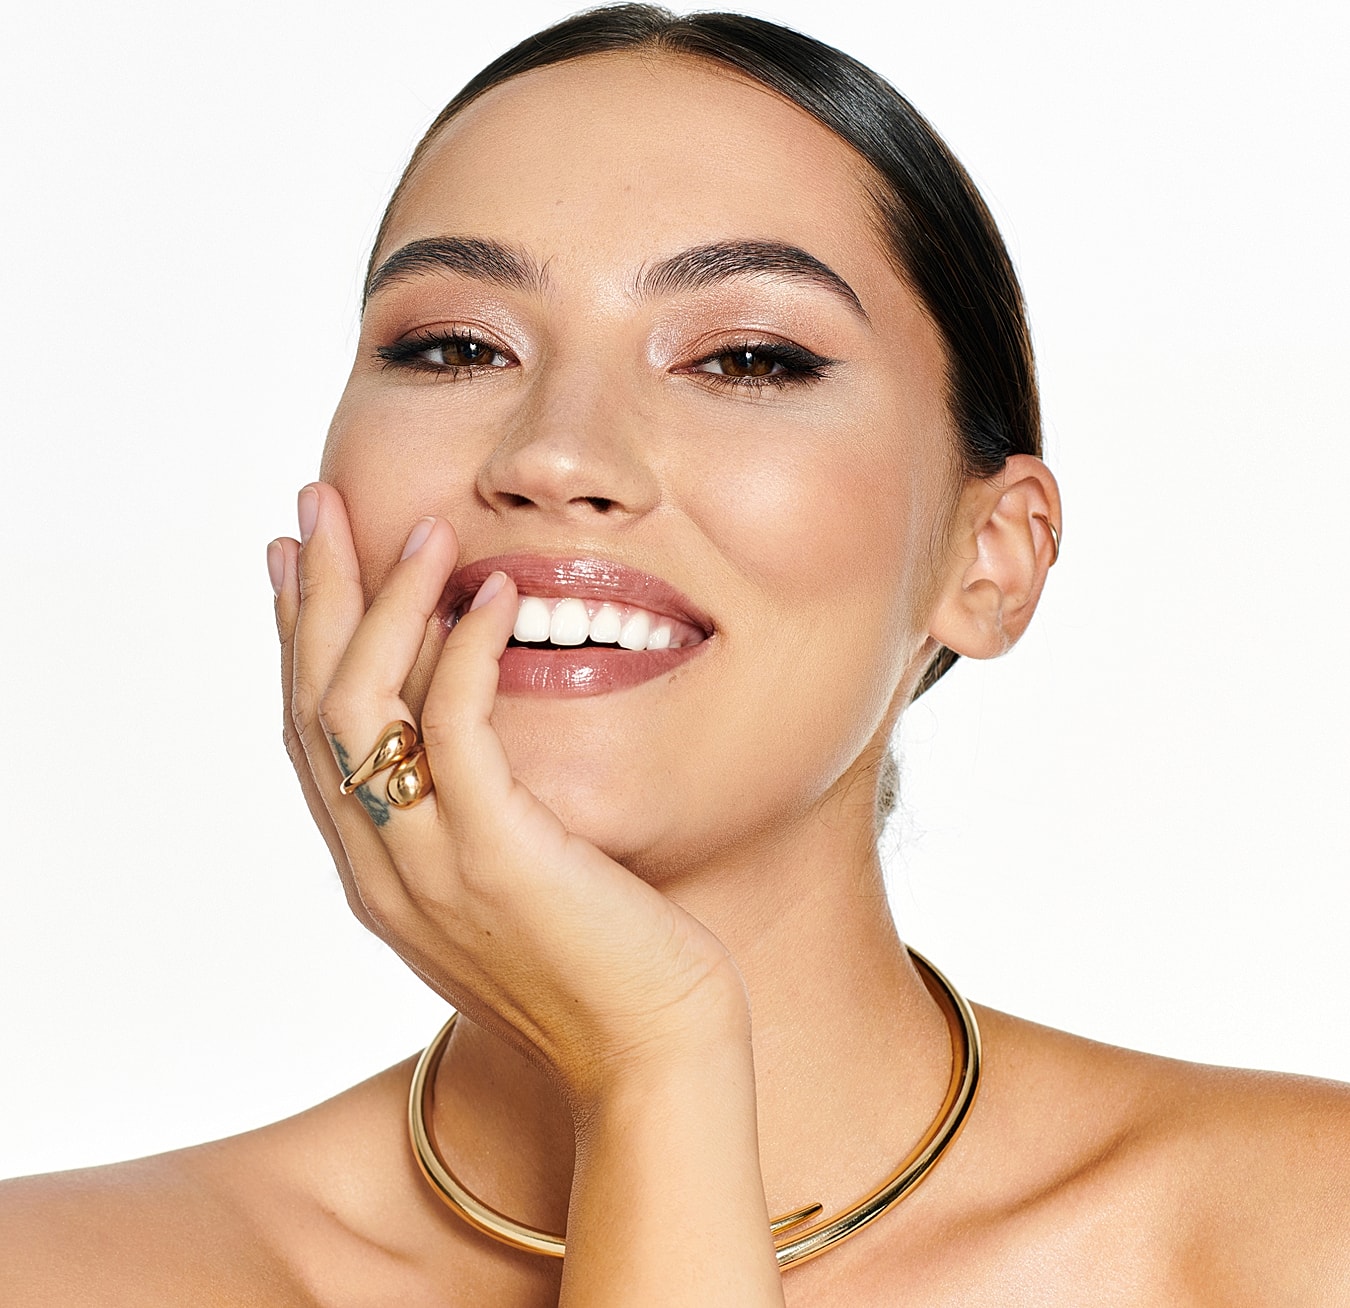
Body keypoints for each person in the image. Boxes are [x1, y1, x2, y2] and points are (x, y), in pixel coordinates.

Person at [2, 6, 1347, 1304]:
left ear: (988, 557)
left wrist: (651, 1067)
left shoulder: (1295, 1235)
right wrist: (659, 1064)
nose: (555, 454)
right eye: (455, 344)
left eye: (747, 359)